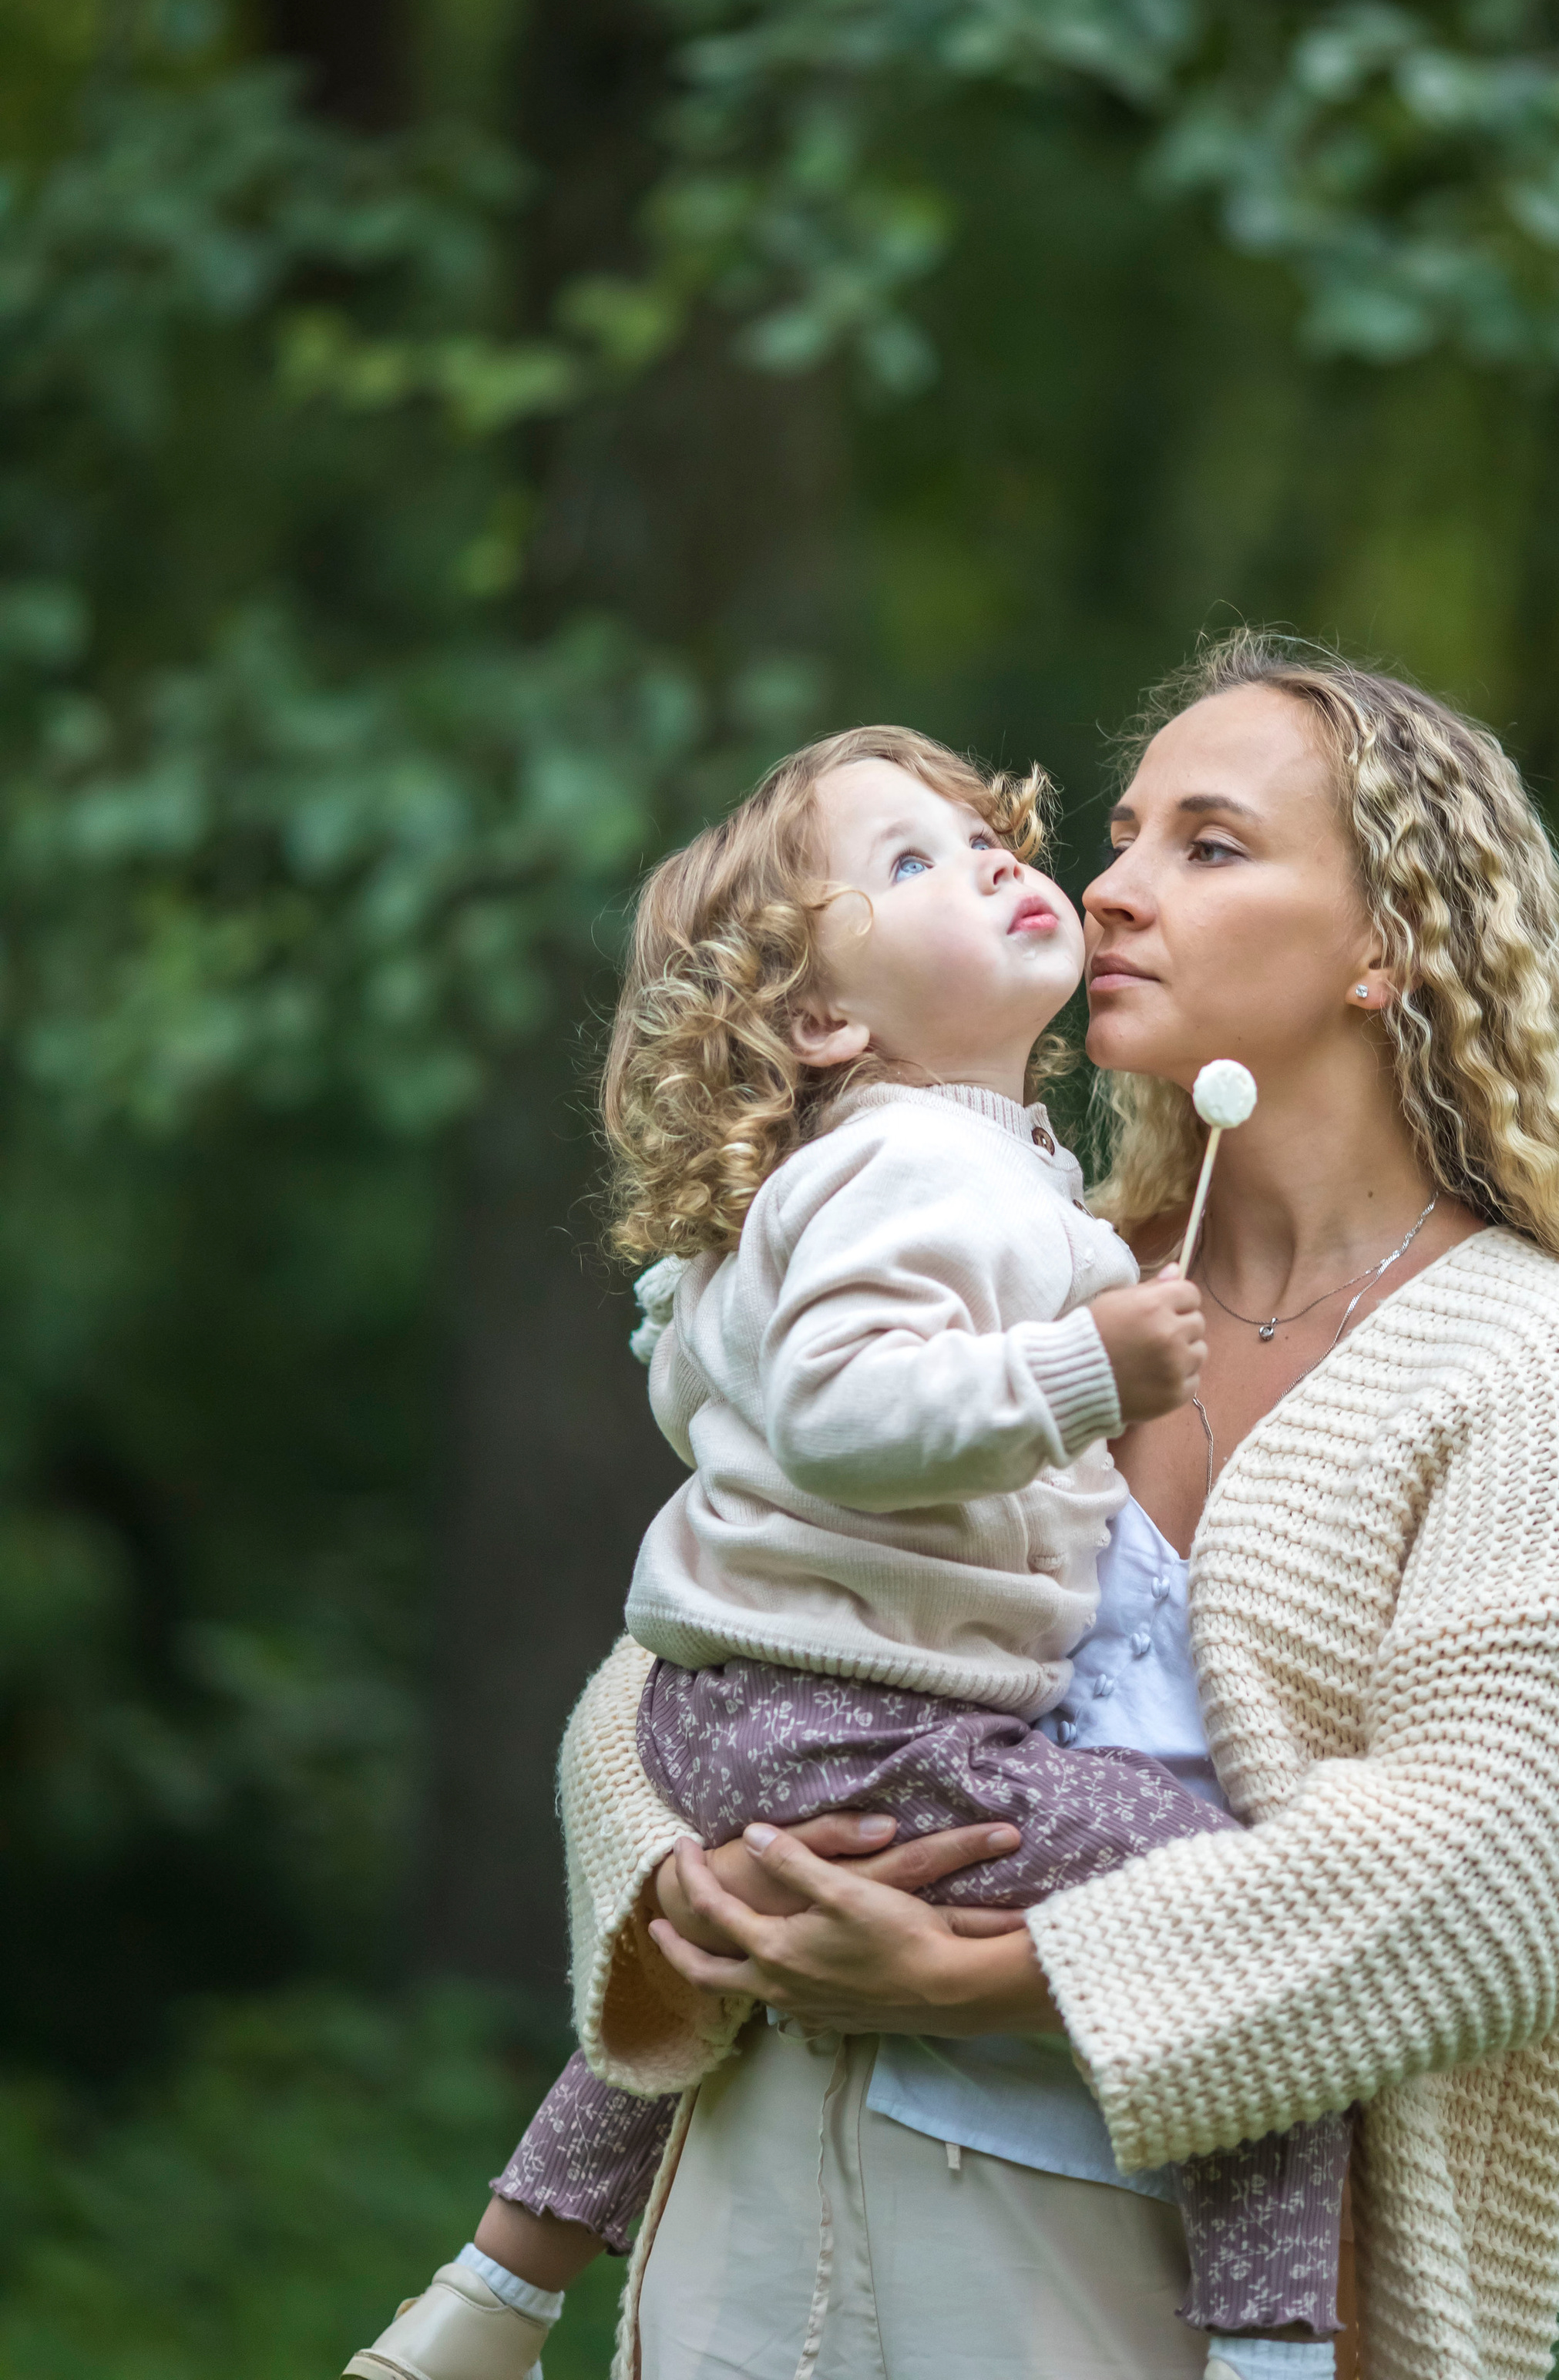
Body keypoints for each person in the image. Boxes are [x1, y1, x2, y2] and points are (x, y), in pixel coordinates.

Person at [546, 635, 1559, 2380]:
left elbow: (1500, 1871)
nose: (1107, 887)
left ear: (1387, 946)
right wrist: (690, 1895)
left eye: (1206, 846)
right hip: (753, 2221)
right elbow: (689, 1646)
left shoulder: (1528, 1349)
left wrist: (973, 1979)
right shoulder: (1036, 1270)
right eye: (1123, 835)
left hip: (1114, 2283)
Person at [347, 722, 1352, 2380]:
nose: (1001, 869)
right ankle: (1270, 2354)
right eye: (910, 864)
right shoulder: (916, 1160)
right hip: (855, 1711)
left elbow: (738, 1403)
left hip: (751, 1703)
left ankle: (491, 2294)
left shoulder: (903, 1170)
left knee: (709, 1958)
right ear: (824, 1019)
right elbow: (833, 1406)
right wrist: (1090, 1369)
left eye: (979, 842)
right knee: (1216, 1933)